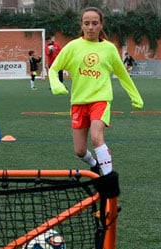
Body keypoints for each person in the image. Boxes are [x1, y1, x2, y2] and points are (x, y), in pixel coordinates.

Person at [48, 7, 143, 176]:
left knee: (96, 137)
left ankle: (108, 180)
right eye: (87, 23)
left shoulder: (109, 49)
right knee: (79, 151)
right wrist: (56, 84)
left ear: (101, 25)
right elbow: (53, 68)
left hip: (100, 100)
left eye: (94, 23)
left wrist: (135, 96)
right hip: (78, 102)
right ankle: (93, 164)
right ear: (82, 25)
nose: (90, 27)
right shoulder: (73, 47)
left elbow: (122, 74)